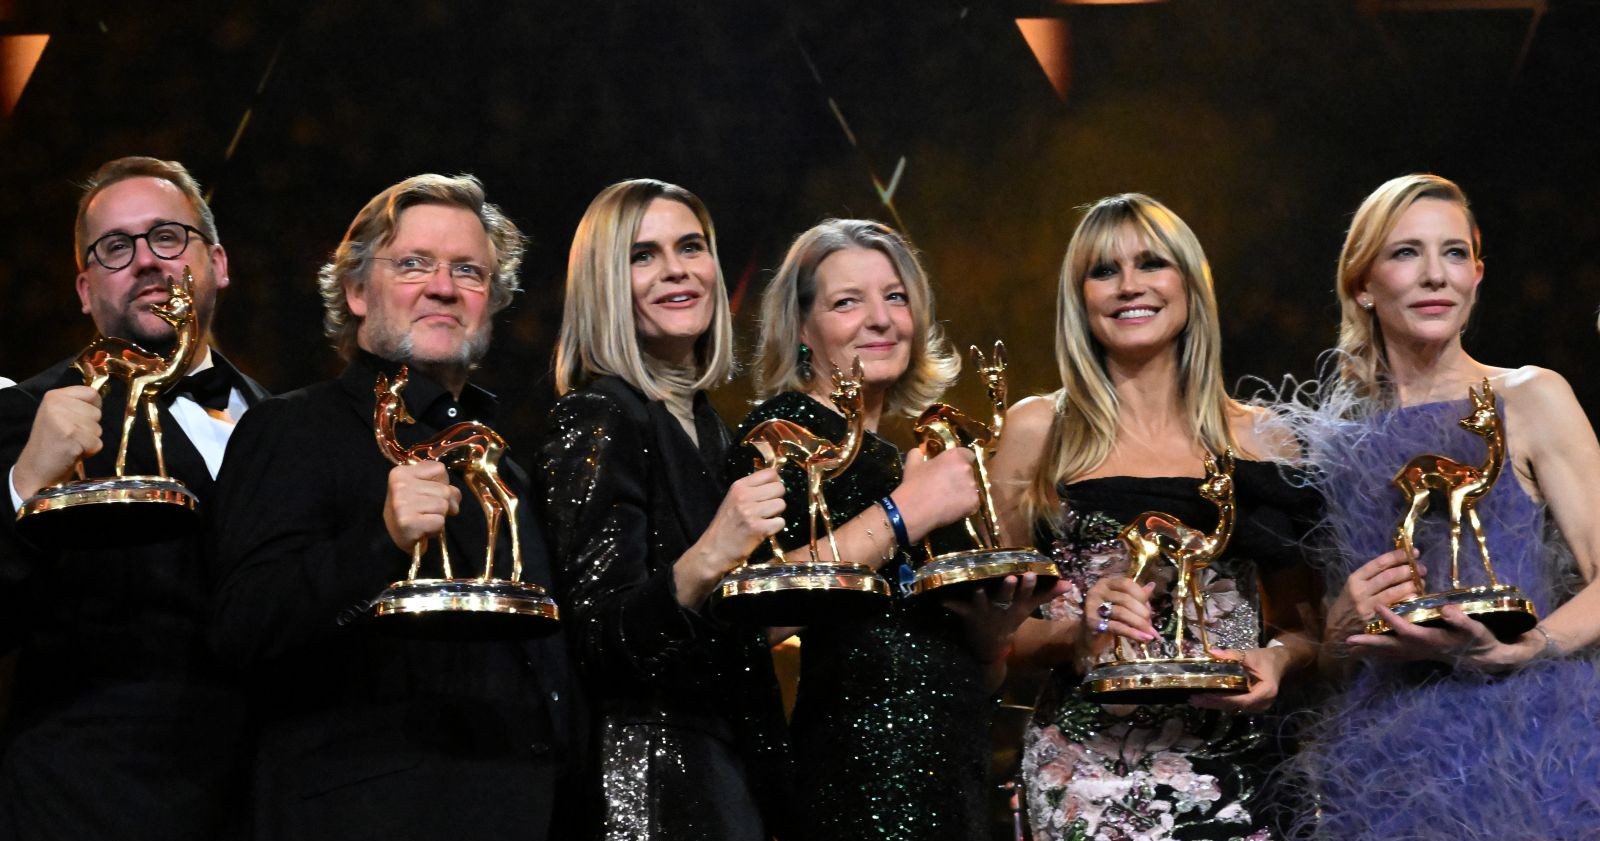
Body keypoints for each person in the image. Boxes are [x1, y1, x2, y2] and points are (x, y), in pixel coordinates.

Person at [208, 174, 581, 840]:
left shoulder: (509, 471)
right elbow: (240, 628)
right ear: (355, 291)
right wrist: (380, 542)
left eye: (468, 270)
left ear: (491, 303)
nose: (443, 286)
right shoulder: (291, 430)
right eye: (413, 264)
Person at [987, 193, 1319, 841]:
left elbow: (1312, 629)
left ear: (1191, 285)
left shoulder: (1264, 439)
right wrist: (1075, 633)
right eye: (1103, 270)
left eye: (1151, 264)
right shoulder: (1037, 430)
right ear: (1079, 296)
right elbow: (994, 637)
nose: (1129, 285)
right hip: (1086, 775)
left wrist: (1278, 660)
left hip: (1242, 767)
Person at [1289, 174, 1600, 839]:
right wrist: (1338, 629)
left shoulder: (1530, 397)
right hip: (1381, 758)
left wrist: (1527, 649)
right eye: (1406, 253)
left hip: (1532, 744)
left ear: (1478, 274)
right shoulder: (1336, 443)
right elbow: (1331, 653)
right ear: (1363, 283)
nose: (1436, 275)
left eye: (1454, 253)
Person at [729, 218, 1052, 840]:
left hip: (951, 788)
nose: (880, 319)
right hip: (852, 787)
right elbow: (745, 618)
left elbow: (955, 668)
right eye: (847, 301)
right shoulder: (785, 437)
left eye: (895, 296)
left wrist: (991, 639)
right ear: (802, 328)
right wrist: (905, 514)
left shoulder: (897, 455)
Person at [0, 156, 268, 840]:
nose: (146, 260)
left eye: (166, 237)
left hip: (269, 801)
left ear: (218, 262)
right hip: (93, 804)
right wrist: (23, 486)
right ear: (85, 290)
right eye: (116, 247)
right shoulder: (25, 412)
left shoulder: (289, 423)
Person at [538, 178, 792, 839]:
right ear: (604, 284)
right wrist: (715, 549)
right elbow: (595, 637)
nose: (677, 270)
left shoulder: (713, 429)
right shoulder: (597, 415)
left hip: (734, 770)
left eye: (691, 247)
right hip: (652, 788)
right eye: (643, 255)